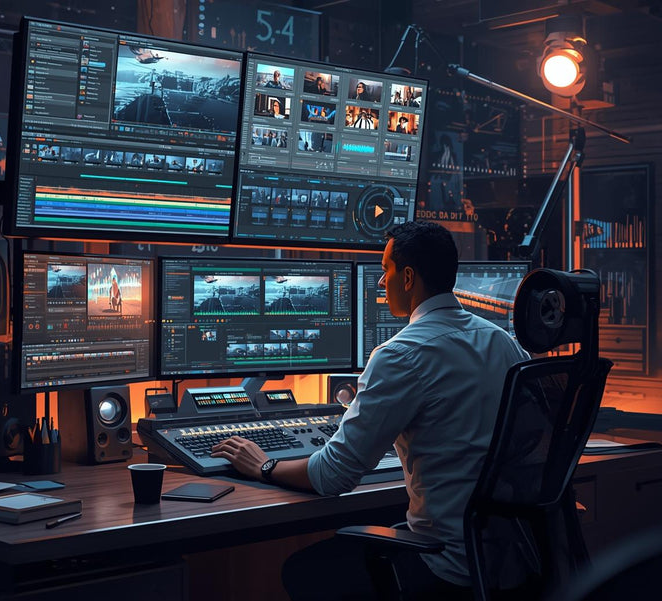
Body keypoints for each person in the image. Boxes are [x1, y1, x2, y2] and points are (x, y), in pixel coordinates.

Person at [211, 221, 531, 600]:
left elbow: (332, 476)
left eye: (386, 270)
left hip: (445, 565)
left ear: (408, 277)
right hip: (509, 563)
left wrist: (264, 465)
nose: (381, 282)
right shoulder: (504, 344)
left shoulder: (400, 354)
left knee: (302, 570)